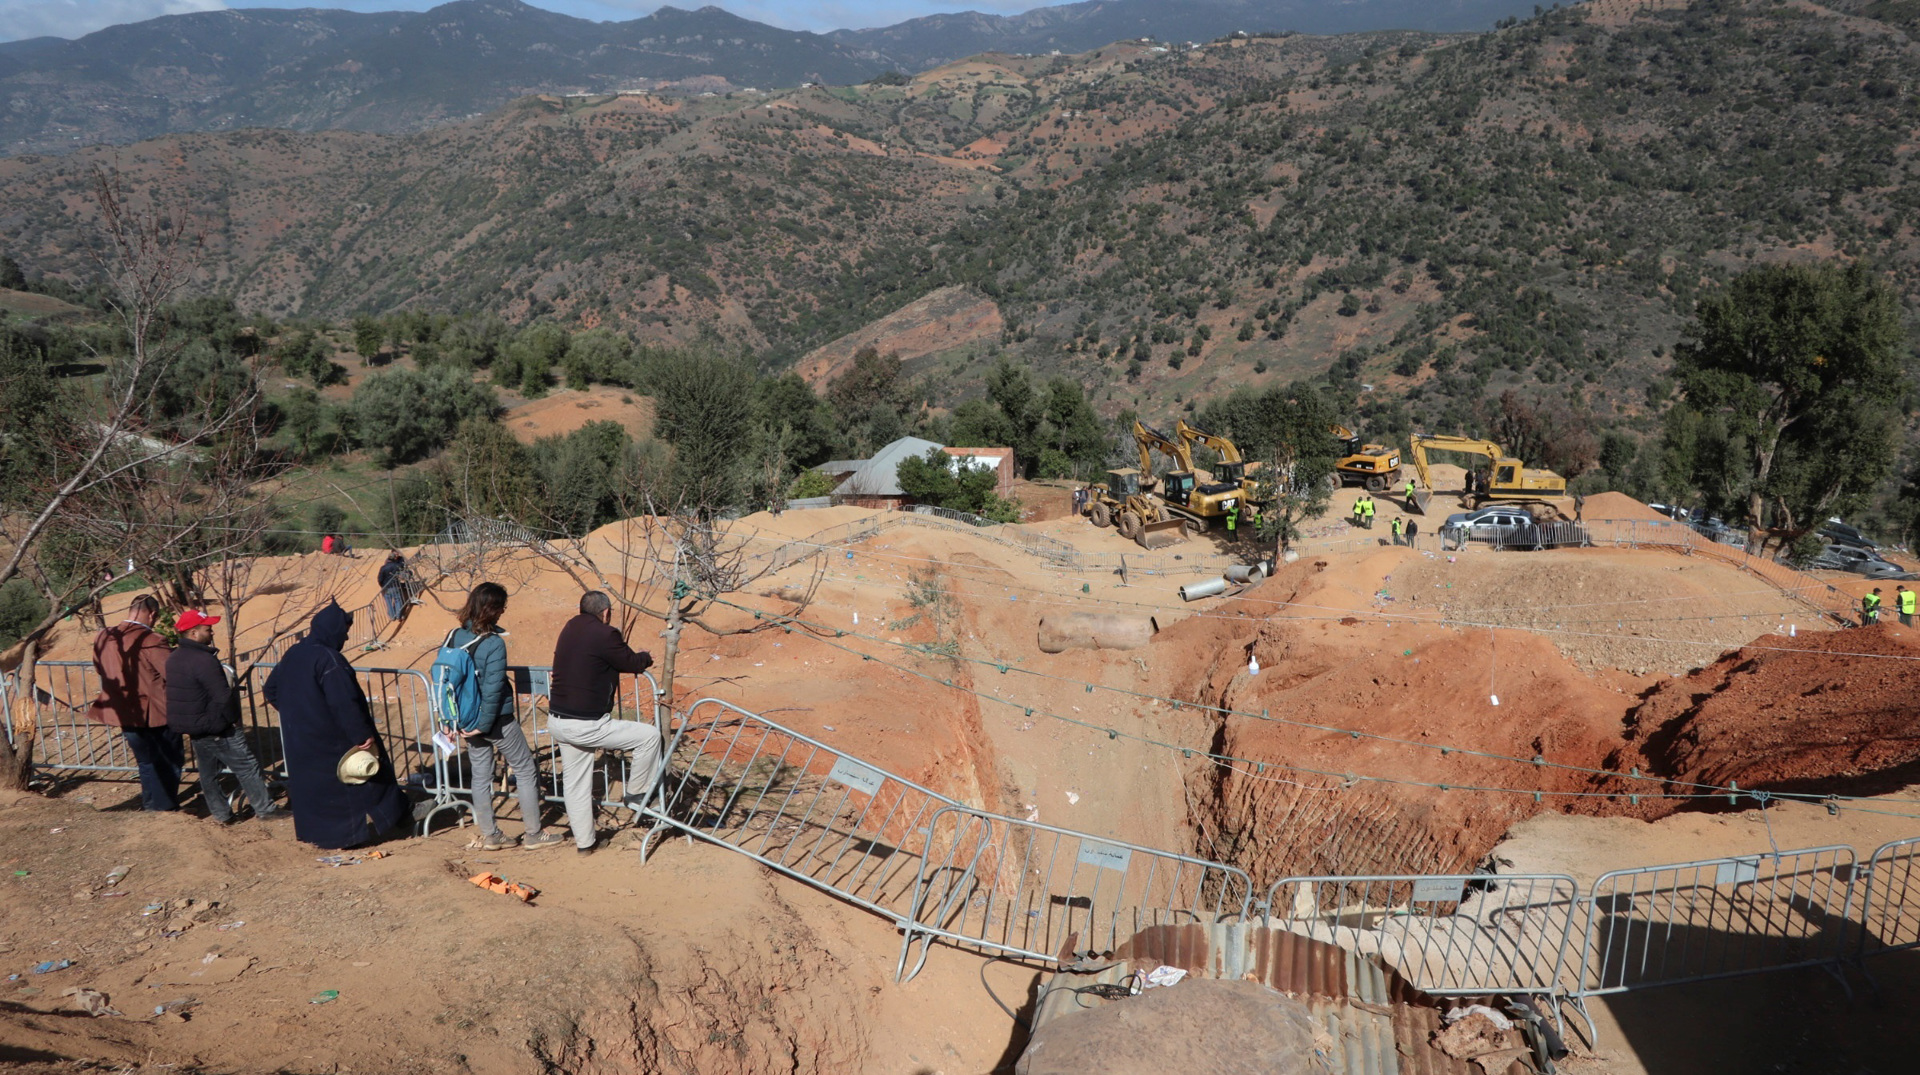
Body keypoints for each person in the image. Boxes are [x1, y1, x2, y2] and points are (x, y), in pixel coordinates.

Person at [263, 603, 407, 849]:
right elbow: (344, 702)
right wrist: (361, 734)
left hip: (301, 738)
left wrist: (297, 714)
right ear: (334, 629)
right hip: (333, 738)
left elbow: (270, 689)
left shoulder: (294, 653)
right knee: (365, 777)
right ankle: (385, 823)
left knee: (316, 791)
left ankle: (322, 836)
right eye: (345, 630)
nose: (347, 636)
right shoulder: (329, 658)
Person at [446, 583, 565, 851]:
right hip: (495, 720)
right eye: (502, 606)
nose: (503, 611)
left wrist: (459, 723)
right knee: (524, 769)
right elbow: (492, 689)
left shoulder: (455, 636)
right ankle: (534, 833)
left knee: (480, 776)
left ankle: (491, 835)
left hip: (465, 718)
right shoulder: (493, 644)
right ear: (493, 609)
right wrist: (483, 725)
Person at [547, 592, 660, 855]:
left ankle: (585, 844)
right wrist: (645, 656)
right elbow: (629, 662)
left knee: (575, 786)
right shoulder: (606, 634)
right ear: (606, 612)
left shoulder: (570, 627)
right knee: (649, 736)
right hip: (587, 724)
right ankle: (636, 795)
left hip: (558, 719)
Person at [165, 609, 285, 825]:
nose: (211, 631)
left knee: (208, 772)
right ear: (193, 633)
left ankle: (222, 814)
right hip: (217, 727)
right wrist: (232, 720)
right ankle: (266, 810)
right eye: (207, 628)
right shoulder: (203, 660)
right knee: (247, 766)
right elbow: (222, 696)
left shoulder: (174, 658)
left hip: (195, 726)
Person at [85, 595, 182, 812]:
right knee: (168, 761)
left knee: (146, 762)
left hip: (124, 710)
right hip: (156, 712)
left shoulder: (103, 636)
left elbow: (100, 668)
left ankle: (151, 805)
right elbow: (173, 674)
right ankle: (164, 808)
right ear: (153, 614)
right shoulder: (152, 640)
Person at [378, 552, 410, 621]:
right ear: (394, 558)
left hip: (386, 587)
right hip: (395, 585)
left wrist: (382, 586)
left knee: (388, 602)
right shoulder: (397, 566)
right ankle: (398, 615)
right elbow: (403, 572)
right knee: (398, 600)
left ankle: (392, 616)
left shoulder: (383, 568)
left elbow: (380, 579)